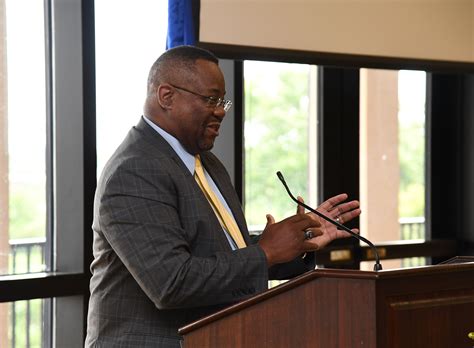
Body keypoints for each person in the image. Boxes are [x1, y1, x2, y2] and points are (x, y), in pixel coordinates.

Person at [85, 45, 361, 347]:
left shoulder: (207, 163)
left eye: (222, 101)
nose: (220, 111)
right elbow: (172, 282)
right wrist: (266, 251)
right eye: (210, 99)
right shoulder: (135, 170)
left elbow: (221, 253)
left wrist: (296, 241)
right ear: (167, 97)